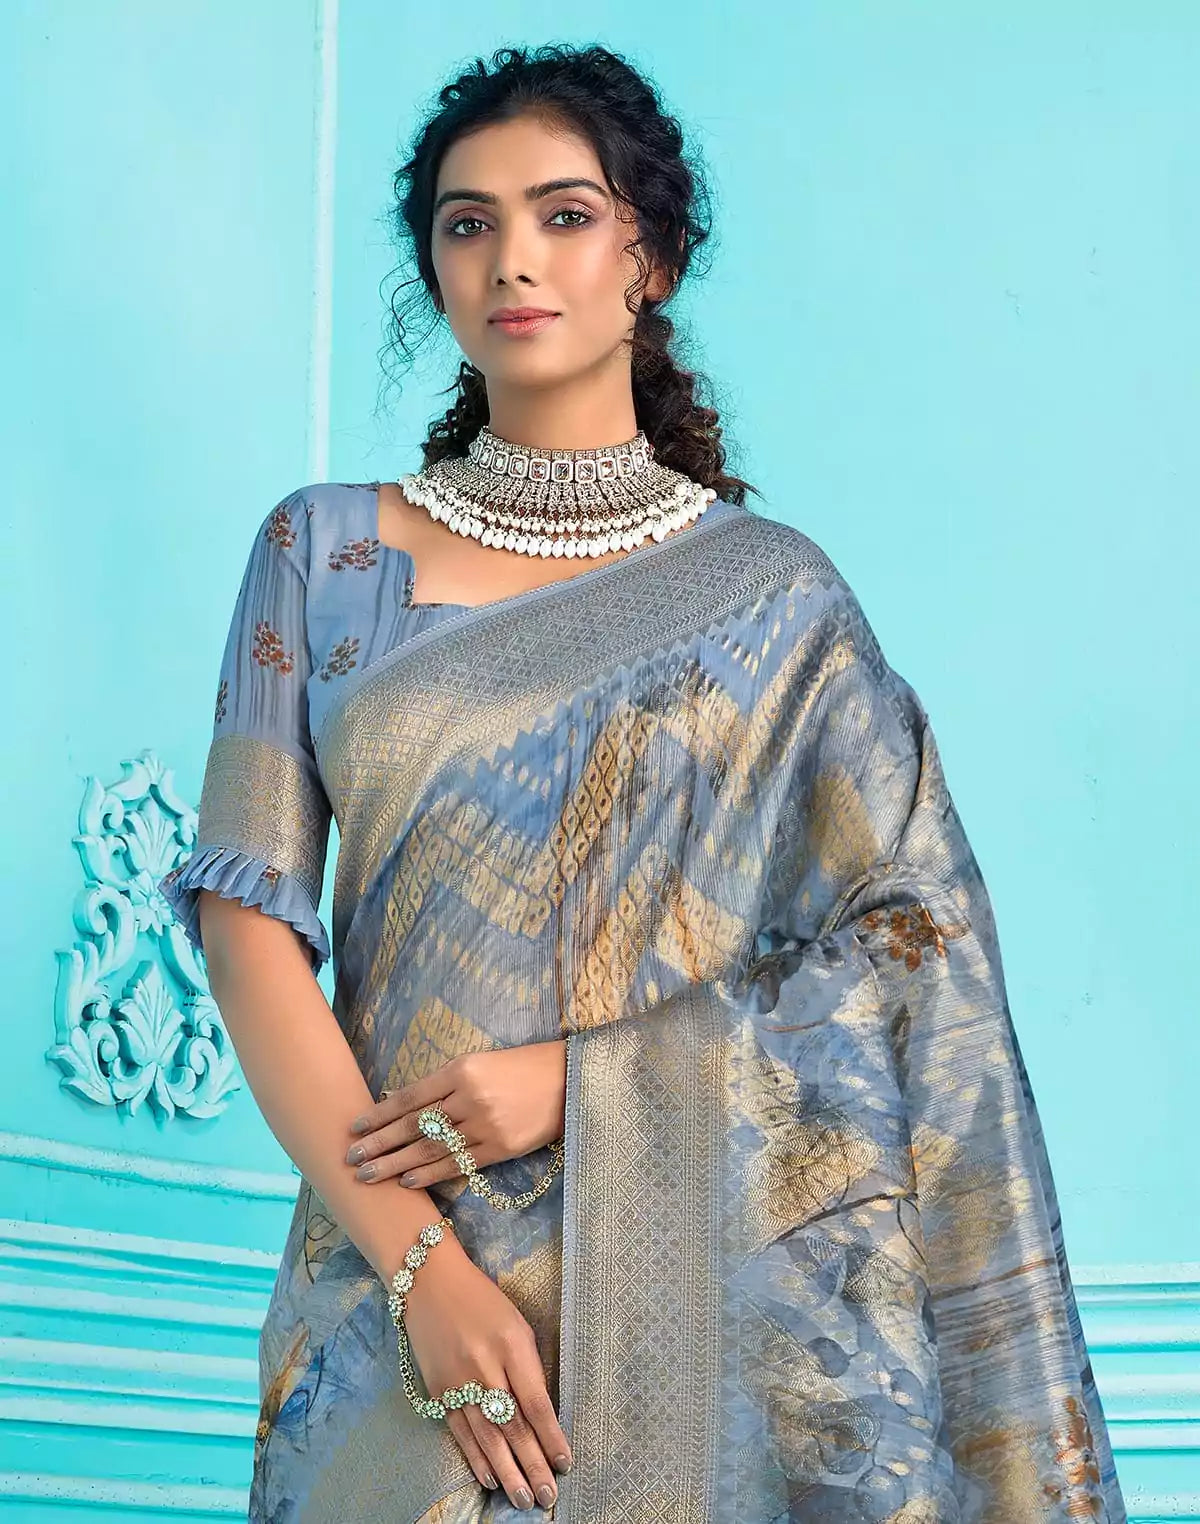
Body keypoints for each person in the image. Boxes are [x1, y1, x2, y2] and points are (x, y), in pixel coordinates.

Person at [158, 42, 1126, 1524]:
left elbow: (913, 949)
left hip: (705, 1317)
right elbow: (248, 929)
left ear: (650, 259)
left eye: (564, 214)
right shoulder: (324, 552)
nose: (512, 259)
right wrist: (419, 1270)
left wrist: (583, 1083)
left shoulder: (774, 603)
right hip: (391, 1282)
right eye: (468, 223)